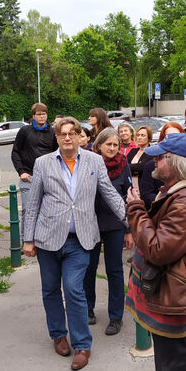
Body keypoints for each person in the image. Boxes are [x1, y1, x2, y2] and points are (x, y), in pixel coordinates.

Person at [22, 117, 125, 371]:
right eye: (62, 134)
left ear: (81, 136)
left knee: (73, 288)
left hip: (80, 239)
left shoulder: (94, 161)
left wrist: (131, 220)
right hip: (47, 239)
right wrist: (28, 238)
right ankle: (58, 334)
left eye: (72, 133)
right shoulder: (43, 163)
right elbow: (33, 203)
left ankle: (82, 345)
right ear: (56, 138)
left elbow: (109, 193)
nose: (67, 138)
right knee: (50, 290)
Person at [125, 132, 186, 371]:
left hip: (174, 298)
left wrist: (135, 209)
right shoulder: (180, 193)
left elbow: (158, 250)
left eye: (160, 157)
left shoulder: (185, 200)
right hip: (172, 294)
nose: (153, 161)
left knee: (175, 366)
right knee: (172, 360)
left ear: (177, 162)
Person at [83, 128, 133, 336]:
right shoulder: (88, 161)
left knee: (114, 270)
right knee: (89, 268)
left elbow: (128, 197)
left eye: (116, 145)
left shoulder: (123, 165)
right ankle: (88, 309)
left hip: (114, 225)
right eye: (108, 144)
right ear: (99, 145)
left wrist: (129, 230)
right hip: (91, 223)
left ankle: (116, 316)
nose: (112, 148)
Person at [11, 102, 58, 235]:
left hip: (48, 177)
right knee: (27, 210)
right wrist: (21, 171)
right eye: (39, 114)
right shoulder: (25, 131)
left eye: (44, 114)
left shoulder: (52, 132)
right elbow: (15, 152)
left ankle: (44, 238)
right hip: (29, 176)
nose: (42, 117)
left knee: (48, 210)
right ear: (33, 116)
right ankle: (25, 240)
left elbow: (56, 154)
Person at [139, 122, 184, 208]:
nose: (172, 140)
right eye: (168, 136)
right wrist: (165, 202)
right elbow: (146, 194)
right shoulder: (152, 165)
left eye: (176, 136)